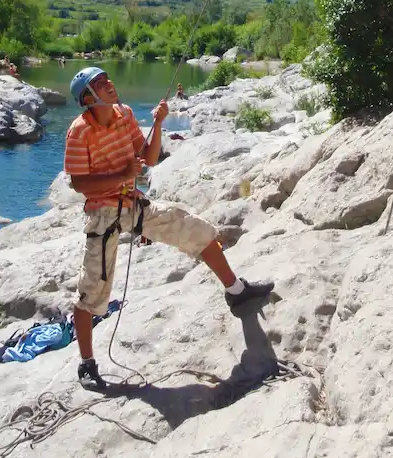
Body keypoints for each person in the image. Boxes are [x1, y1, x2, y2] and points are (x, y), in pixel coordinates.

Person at [64, 66, 277, 390]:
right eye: (100, 83)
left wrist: (160, 123)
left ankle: (236, 292)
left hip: (133, 203)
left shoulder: (124, 114)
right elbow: (81, 185)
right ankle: (87, 363)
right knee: (91, 289)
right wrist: (121, 175)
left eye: (108, 78)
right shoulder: (79, 132)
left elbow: (148, 158)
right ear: (88, 98)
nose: (110, 84)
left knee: (197, 229)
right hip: (103, 213)